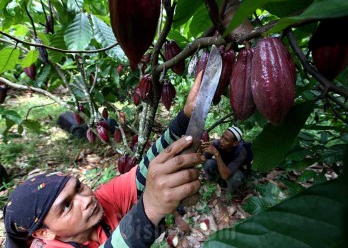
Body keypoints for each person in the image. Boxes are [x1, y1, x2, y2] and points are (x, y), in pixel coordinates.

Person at [3, 72, 204, 248]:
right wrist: (150, 208)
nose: (86, 200)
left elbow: (144, 172)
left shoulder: (102, 201)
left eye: (79, 187)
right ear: (44, 233)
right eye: (66, 206)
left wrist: (185, 118)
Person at [201, 126, 252, 195]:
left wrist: (217, 154)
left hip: (235, 170)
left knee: (236, 177)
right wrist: (200, 149)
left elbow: (225, 175)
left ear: (235, 143)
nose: (221, 141)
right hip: (223, 166)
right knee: (208, 163)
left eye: (226, 140)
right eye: (222, 137)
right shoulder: (217, 143)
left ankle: (228, 194)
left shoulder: (241, 152)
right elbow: (203, 159)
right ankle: (213, 182)